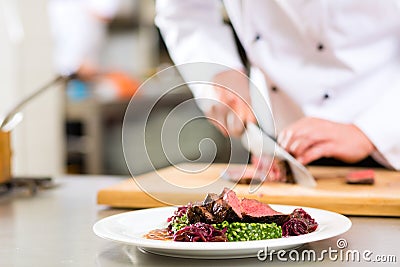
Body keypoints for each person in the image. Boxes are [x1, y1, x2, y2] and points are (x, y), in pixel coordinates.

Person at [155, 0, 400, 170]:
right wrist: (217, 70)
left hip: (386, 129)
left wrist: (371, 131)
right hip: (278, 136)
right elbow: (183, 10)